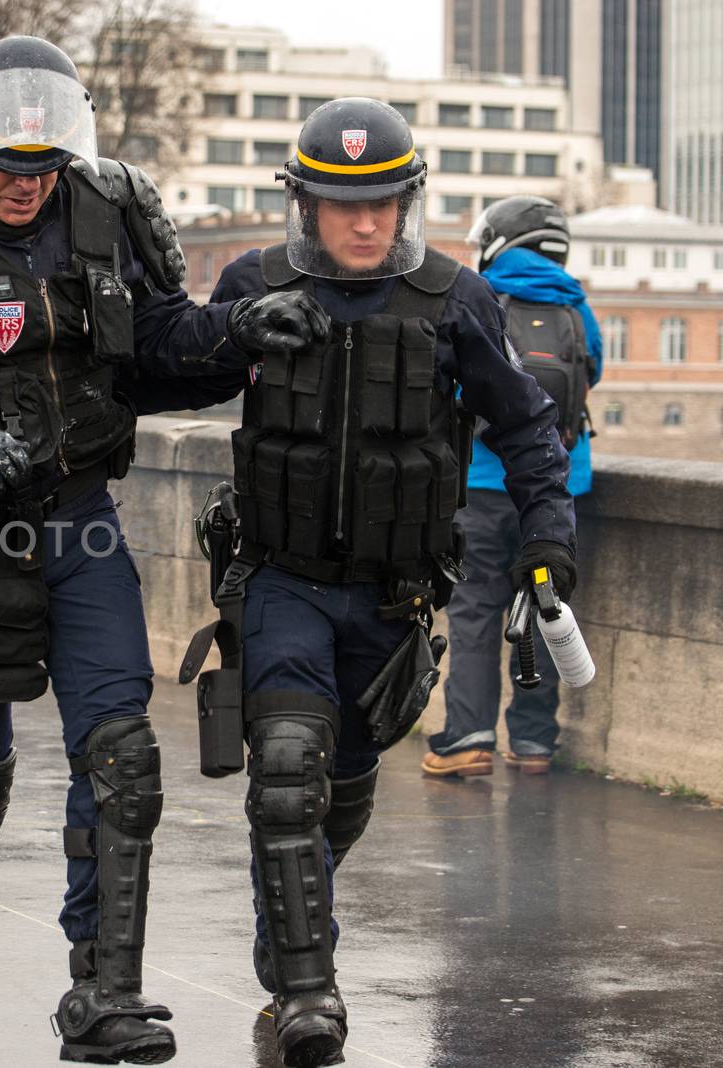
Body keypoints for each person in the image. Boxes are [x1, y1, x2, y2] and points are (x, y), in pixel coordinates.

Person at [0, 36, 326, 1064]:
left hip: (80, 519)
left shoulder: (110, 210)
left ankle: (103, 989)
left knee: (123, 757)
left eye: (38, 171)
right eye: (3, 168)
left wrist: (238, 331)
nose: (19, 187)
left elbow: (162, 342)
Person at [190, 98, 577, 1066]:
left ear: (407, 202)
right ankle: (307, 989)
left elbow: (527, 431)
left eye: (382, 204)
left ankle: (287, 922)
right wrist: (224, 330)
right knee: (285, 773)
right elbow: (163, 372)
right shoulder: (253, 281)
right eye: (337, 204)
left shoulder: (455, 299)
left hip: (394, 594)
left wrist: (548, 541)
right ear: (302, 205)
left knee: (345, 784)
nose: (362, 223)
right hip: (280, 578)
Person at [424, 196, 601, 777]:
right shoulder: (577, 307)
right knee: (547, 607)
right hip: (556, 493)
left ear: (498, 241)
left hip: (480, 483)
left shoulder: (479, 297)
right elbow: (590, 372)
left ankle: (468, 739)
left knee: (474, 611)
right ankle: (532, 743)